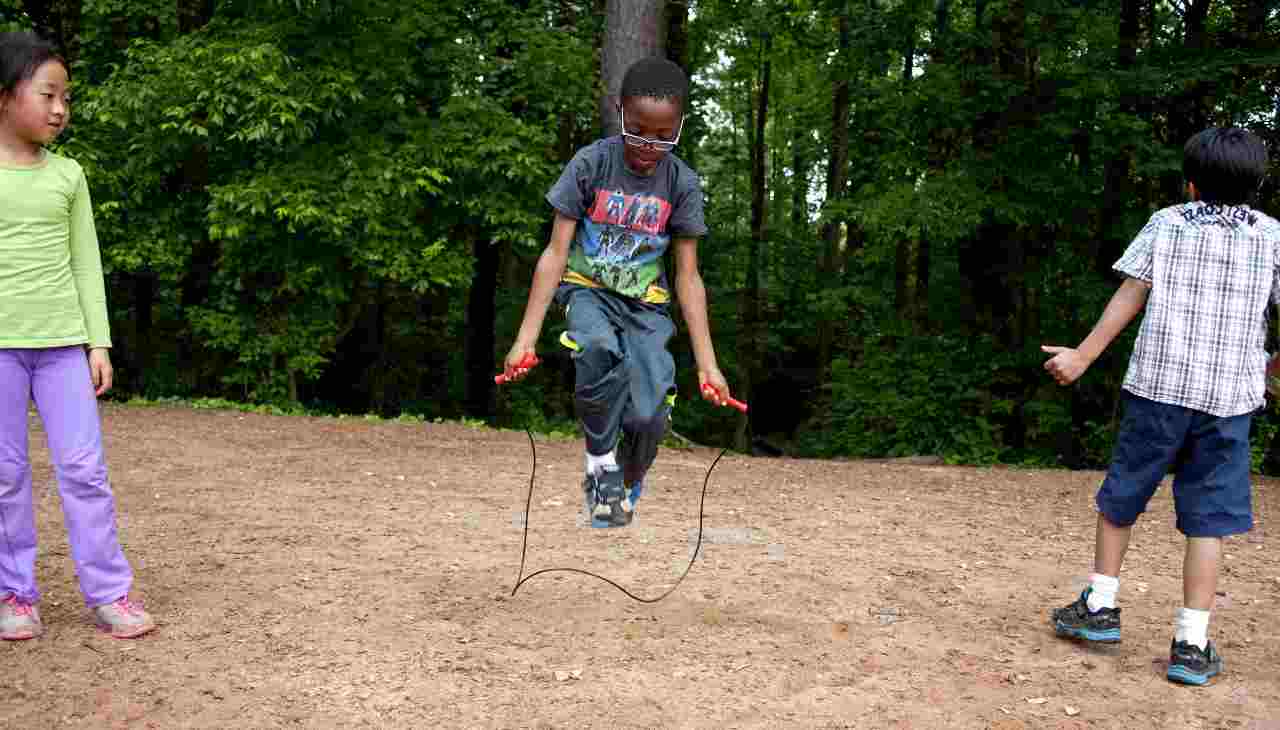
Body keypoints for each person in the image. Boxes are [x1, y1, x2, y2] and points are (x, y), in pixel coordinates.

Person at [1041, 127, 1277, 685]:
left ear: (1192, 184)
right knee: (1209, 521)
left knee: (1122, 495)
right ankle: (1192, 644)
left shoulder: (1167, 222)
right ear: (1257, 185)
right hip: (1228, 402)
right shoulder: (1271, 236)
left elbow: (1130, 292)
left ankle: (1100, 606)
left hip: (1158, 392)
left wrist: (1082, 357)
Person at [502, 56, 733, 528]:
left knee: (649, 417)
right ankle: (599, 464)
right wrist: (524, 338)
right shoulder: (591, 164)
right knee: (598, 347)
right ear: (621, 112)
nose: (648, 145)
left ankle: (625, 478)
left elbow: (688, 277)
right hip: (589, 291)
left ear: (680, 125)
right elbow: (555, 252)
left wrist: (708, 365)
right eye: (638, 129)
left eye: (663, 135)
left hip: (647, 307)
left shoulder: (682, 183)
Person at [0, 31, 155, 640]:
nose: (61, 108)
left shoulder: (69, 175)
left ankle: (110, 591)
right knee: (5, 475)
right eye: (48, 94)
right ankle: (16, 595)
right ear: (6, 95)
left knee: (85, 470)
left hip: (64, 346)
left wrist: (99, 342)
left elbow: (86, 261)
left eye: (66, 96)